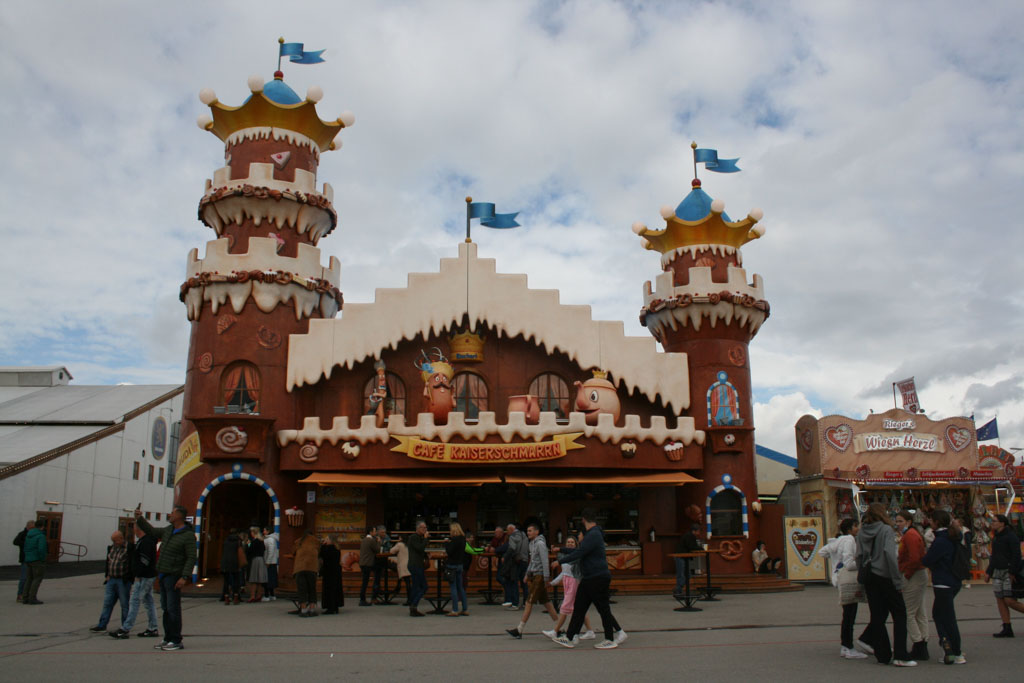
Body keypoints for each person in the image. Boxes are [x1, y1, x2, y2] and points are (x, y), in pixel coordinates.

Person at [553, 508, 627, 650]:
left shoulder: (593, 534)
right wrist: (562, 550)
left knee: (603, 609)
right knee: (580, 608)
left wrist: (560, 561)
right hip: (590, 577)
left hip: (597, 577)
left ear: (583, 520)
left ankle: (609, 639)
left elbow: (580, 552)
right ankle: (569, 638)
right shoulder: (594, 534)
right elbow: (580, 550)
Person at [856, 502, 915, 666]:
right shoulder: (886, 530)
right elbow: (889, 554)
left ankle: (882, 654)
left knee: (877, 615)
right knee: (899, 613)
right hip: (885, 575)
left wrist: (861, 577)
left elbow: (859, 556)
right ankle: (901, 654)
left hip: (869, 576)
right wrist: (897, 580)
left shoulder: (862, 532)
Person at [135, 505, 196, 651]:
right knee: (166, 608)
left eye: (173, 513)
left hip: (174, 575)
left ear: (179, 516)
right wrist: (140, 518)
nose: (170, 514)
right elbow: (152, 531)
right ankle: (168, 637)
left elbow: (191, 557)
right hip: (163, 574)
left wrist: (184, 577)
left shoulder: (187, 536)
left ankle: (176, 639)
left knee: (173, 608)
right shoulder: (168, 531)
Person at [818, 518, 867, 659]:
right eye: (856, 526)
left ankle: (846, 646)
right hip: (848, 580)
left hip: (839, 579)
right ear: (850, 529)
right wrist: (862, 564)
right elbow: (849, 563)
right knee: (850, 614)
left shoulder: (838, 540)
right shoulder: (849, 541)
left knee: (847, 613)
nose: (858, 528)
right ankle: (847, 646)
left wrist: (835, 560)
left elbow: (823, 552)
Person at [921, 509, 965, 664]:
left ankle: (953, 649)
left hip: (942, 581)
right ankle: (949, 646)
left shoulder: (940, 540)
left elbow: (927, 560)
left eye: (931, 520)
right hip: (954, 580)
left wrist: (926, 556)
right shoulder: (954, 536)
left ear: (936, 522)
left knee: (945, 616)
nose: (929, 522)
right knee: (942, 614)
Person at [506, 523, 558, 638]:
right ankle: (559, 627)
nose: (528, 533)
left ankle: (519, 629)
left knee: (529, 602)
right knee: (547, 603)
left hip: (539, 576)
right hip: (534, 575)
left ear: (536, 532)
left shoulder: (540, 544)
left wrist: (546, 577)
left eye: (530, 531)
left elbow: (545, 561)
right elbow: (533, 561)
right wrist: (527, 574)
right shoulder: (531, 544)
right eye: (527, 531)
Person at [110, 524, 160, 639]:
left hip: (144, 577)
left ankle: (125, 628)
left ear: (139, 529)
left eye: (135, 528)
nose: (133, 530)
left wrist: (138, 573)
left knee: (135, 601)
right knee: (148, 602)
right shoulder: (144, 541)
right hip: (146, 575)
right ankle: (153, 627)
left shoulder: (146, 542)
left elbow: (145, 560)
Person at [542, 534, 594, 642]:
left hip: (574, 581)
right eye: (568, 542)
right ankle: (590, 631)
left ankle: (555, 631)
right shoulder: (563, 556)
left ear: (576, 545)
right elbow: (564, 573)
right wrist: (552, 583)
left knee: (565, 607)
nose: (570, 544)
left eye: (572, 542)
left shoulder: (577, 556)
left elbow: (570, 571)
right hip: (567, 582)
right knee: (579, 608)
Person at [895, 509, 929, 660]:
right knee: (919, 611)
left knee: (908, 612)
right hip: (918, 573)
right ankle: (923, 642)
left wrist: (907, 573)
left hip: (913, 574)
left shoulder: (910, 535)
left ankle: (918, 642)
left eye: (900, 521)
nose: (898, 524)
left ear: (908, 522)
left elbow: (914, 558)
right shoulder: (911, 534)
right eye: (896, 521)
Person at [986, 513, 1024, 637]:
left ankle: (1007, 626)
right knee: (1000, 599)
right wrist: (989, 571)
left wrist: (1012, 571)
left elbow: (1016, 555)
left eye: (995, 521)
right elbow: (994, 555)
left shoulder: (1011, 537)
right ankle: (1006, 626)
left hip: (1008, 571)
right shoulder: (995, 537)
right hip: (997, 571)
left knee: (1010, 600)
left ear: (1002, 523)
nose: (993, 523)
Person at [89, 530, 133, 633]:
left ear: (121, 538)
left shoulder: (129, 548)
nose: (114, 543)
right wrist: (107, 575)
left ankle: (125, 625)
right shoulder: (111, 548)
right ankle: (102, 624)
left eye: (116, 541)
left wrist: (129, 578)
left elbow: (132, 563)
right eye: (113, 541)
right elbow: (108, 562)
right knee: (107, 603)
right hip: (111, 579)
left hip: (123, 580)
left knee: (124, 604)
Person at [498, 523, 528, 609]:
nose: (507, 532)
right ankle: (526, 602)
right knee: (524, 582)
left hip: (516, 561)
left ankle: (515, 603)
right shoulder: (524, 536)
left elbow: (512, 548)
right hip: (525, 560)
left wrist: (505, 557)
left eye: (507, 530)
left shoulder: (512, 537)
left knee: (514, 581)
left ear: (511, 529)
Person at [292, 528, 320, 617]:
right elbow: (319, 552)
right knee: (312, 589)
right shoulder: (316, 542)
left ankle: (303, 610)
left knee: (302, 589)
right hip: (312, 568)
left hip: (299, 568)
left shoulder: (298, 541)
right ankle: (312, 609)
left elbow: (293, 552)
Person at [21, 520, 47, 605]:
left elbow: (25, 547)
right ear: (42, 526)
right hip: (37, 560)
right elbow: (42, 549)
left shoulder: (28, 535)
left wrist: (27, 556)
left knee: (29, 578)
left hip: (28, 559)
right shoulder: (41, 536)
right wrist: (43, 558)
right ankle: (32, 598)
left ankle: (25, 597)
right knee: (37, 578)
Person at [407, 521, 429, 617]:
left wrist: (426, 555)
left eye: (425, 528)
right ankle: (413, 604)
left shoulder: (419, 538)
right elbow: (419, 548)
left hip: (418, 564)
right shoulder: (413, 537)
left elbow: (420, 551)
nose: (425, 530)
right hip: (415, 565)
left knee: (416, 586)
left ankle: (413, 607)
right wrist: (425, 539)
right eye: (423, 528)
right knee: (423, 586)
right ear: (418, 528)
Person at [445, 522, 468, 616]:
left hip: (452, 565)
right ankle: (465, 609)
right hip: (460, 565)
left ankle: (455, 610)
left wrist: (446, 544)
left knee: (453, 587)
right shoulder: (463, 539)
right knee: (461, 587)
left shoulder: (454, 540)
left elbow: (449, 552)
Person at [674, 524, 702, 595]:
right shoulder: (690, 536)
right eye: (698, 531)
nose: (699, 533)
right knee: (682, 574)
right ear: (694, 531)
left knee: (686, 574)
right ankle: (678, 589)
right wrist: (701, 548)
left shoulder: (688, 536)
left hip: (683, 557)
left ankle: (680, 589)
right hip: (681, 557)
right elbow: (692, 546)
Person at [320, 533, 344, 614]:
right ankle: (336, 606)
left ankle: (330, 607)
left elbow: (321, 555)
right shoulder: (337, 548)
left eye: (327, 539)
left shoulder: (328, 548)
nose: (325, 540)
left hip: (329, 571)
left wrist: (322, 545)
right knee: (336, 588)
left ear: (330, 540)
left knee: (329, 589)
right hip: (336, 571)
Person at [359, 526, 382, 606]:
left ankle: (363, 598)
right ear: (371, 532)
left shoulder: (364, 540)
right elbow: (377, 549)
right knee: (368, 580)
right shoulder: (371, 540)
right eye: (375, 531)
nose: (375, 533)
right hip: (368, 563)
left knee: (364, 581)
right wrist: (379, 541)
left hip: (363, 562)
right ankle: (366, 598)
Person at [220, 529, 242, 605]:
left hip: (225, 562)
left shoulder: (225, 541)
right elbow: (240, 552)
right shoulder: (238, 542)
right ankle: (235, 597)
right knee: (236, 581)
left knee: (226, 581)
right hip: (235, 562)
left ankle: (226, 598)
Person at [246, 527, 267, 603]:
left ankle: (252, 596)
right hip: (261, 560)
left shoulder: (254, 542)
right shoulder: (261, 541)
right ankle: (259, 595)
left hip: (255, 560)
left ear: (253, 533)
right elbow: (264, 549)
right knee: (260, 579)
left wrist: (248, 545)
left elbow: (250, 550)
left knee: (254, 579)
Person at [389, 535, 412, 605]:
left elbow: (391, 551)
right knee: (408, 582)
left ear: (401, 538)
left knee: (407, 583)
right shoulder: (409, 545)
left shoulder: (399, 544)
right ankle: (410, 599)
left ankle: (409, 600)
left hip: (403, 565)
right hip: (409, 564)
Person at [12, 521, 31, 602]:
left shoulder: (32, 535)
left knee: (29, 578)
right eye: (31, 527)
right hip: (25, 558)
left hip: (31, 558)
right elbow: (15, 542)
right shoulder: (22, 534)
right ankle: (20, 594)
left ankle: (26, 594)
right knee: (24, 578)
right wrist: (25, 544)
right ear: (28, 527)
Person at [263, 526, 279, 601]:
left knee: (267, 579)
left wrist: (268, 561)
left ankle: (267, 595)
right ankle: (272, 594)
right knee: (271, 579)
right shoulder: (272, 539)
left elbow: (270, 551)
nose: (263, 532)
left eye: (265, 530)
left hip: (270, 562)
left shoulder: (270, 539)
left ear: (268, 531)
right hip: (272, 561)